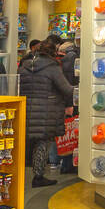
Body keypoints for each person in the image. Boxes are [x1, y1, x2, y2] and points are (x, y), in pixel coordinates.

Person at [17, 34, 73, 188]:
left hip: (26, 108)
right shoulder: (52, 67)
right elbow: (66, 89)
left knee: (30, 142)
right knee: (43, 141)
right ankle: (38, 176)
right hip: (47, 110)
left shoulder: (24, 65)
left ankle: (24, 173)